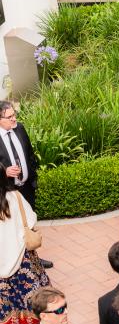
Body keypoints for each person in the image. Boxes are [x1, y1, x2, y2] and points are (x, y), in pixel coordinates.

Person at [0, 101, 52, 269]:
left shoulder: (19, 128)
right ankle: (18, 263)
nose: (14, 119)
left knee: (29, 224)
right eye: (9, 117)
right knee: (13, 229)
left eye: (14, 114)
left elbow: (29, 153)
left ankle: (34, 259)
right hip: (8, 192)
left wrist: (33, 178)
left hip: (26, 188)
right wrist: (5, 172)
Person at [0, 162, 49, 324]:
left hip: (2, 256)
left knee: (9, 290)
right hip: (22, 253)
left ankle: (15, 321)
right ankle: (26, 322)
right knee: (28, 288)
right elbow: (31, 219)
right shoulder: (15, 197)